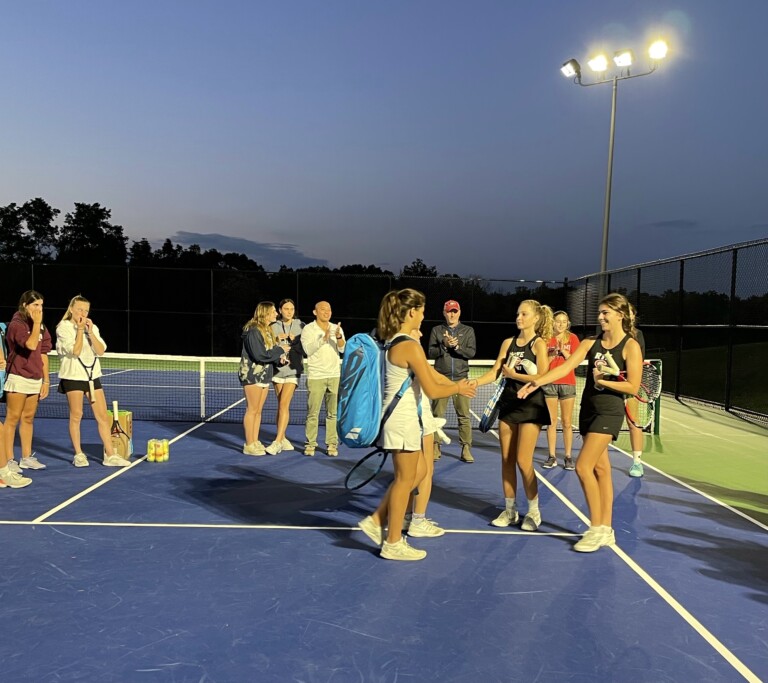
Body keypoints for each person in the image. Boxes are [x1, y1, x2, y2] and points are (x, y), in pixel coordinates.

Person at [518, 293, 642, 552]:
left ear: (620, 315)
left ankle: (596, 528)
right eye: (600, 312)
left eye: (606, 312)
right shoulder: (591, 343)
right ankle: (607, 529)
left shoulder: (631, 346)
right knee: (602, 470)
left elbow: (632, 385)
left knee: (583, 466)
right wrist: (537, 382)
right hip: (588, 410)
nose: (600, 317)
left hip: (609, 412)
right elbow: (565, 368)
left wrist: (603, 381)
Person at [358, 289, 476, 561]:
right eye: (421, 310)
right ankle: (393, 541)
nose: (423, 316)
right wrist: (458, 386)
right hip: (402, 420)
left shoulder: (395, 340)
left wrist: (455, 384)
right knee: (404, 481)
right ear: (411, 312)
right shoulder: (408, 345)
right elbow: (433, 389)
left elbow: (430, 378)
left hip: (404, 418)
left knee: (420, 470)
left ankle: (377, 520)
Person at [472, 300, 553, 531]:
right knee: (506, 460)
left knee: (523, 460)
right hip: (508, 405)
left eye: (524, 314)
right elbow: (496, 372)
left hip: (531, 406)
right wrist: (474, 382)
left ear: (535, 318)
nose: (519, 317)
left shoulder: (538, 345)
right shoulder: (508, 343)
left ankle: (534, 512)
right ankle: (510, 511)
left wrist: (515, 376)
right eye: (518, 313)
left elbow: (544, 376)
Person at [56, 295, 132, 467]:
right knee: (76, 415)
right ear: (71, 309)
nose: (83, 313)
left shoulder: (93, 328)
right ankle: (79, 454)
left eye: (86, 310)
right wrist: (80, 331)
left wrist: (89, 332)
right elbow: (75, 351)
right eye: (80, 309)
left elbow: (100, 350)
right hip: (73, 376)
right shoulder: (64, 327)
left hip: (92, 376)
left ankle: (110, 455)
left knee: (103, 416)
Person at [403, 328, 453, 539]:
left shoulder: (392, 346)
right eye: (417, 328)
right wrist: (460, 387)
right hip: (418, 417)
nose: (421, 333)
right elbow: (433, 382)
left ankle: (406, 516)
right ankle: (418, 520)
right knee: (424, 471)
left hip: (405, 418)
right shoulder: (410, 349)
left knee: (409, 474)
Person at [2, 290, 52, 484]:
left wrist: (46, 380)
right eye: (35, 305)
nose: (39, 309)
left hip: (35, 378)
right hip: (18, 377)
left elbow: (43, 353)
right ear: (25, 306)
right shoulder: (17, 325)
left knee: (28, 418)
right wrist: (37, 324)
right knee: (12, 419)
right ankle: (8, 460)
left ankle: (26, 457)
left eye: (41, 305)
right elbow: (31, 345)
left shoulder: (42, 327)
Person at [239, 302, 290, 456]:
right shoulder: (254, 330)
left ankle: (255, 441)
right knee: (252, 410)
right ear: (266, 313)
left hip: (264, 374)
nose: (276, 314)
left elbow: (268, 353)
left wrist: (279, 359)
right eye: (274, 311)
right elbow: (259, 354)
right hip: (252, 374)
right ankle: (249, 444)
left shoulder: (266, 331)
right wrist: (280, 349)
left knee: (258, 411)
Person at [428, 299, 476, 462]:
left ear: (459, 312)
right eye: (449, 311)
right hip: (441, 380)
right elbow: (431, 353)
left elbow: (471, 353)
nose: (452, 314)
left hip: (462, 380)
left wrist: (456, 347)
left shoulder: (468, 331)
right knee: (436, 415)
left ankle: (466, 448)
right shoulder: (436, 330)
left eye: (455, 311)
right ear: (444, 313)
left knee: (464, 416)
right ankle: (435, 445)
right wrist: (444, 345)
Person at [300, 301, 345, 457]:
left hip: (334, 375)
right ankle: (310, 444)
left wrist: (338, 336)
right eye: (323, 309)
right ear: (315, 312)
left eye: (329, 309)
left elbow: (342, 348)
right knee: (313, 413)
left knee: (333, 414)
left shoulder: (336, 328)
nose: (327, 312)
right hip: (316, 376)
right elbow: (308, 350)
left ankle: (332, 444)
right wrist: (323, 339)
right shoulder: (308, 329)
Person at [266, 299, 305, 455]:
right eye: (286, 308)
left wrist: (295, 340)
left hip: (293, 371)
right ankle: (282, 438)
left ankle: (277, 441)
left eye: (292, 308)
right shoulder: (273, 326)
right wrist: (277, 340)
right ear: (280, 310)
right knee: (282, 406)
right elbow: (267, 347)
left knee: (283, 404)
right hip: (277, 371)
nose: (289, 311)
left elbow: (305, 348)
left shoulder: (300, 325)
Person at [542, 310, 580, 470]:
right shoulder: (546, 339)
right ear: (553, 323)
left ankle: (568, 457)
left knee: (566, 422)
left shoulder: (573, 339)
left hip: (568, 384)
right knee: (550, 422)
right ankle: (552, 456)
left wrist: (564, 352)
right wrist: (551, 355)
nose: (561, 324)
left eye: (564, 321)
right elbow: (543, 364)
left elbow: (575, 363)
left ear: (568, 323)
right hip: (549, 383)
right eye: (558, 321)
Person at [627, 303, 647, 478]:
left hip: (629, 387)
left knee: (634, 423)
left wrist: (632, 384)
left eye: (630, 313)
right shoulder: (610, 334)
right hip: (611, 386)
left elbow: (638, 362)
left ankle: (637, 463)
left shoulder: (637, 335)